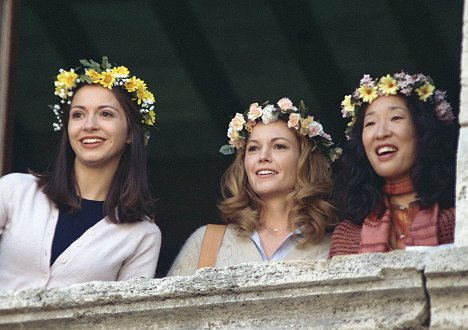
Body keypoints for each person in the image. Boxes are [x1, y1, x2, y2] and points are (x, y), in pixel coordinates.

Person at [0, 57, 161, 290]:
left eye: (106, 114)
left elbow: (126, 320)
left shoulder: (143, 235)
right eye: (78, 114)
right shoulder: (14, 191)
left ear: (130, 134)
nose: (89, 125)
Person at [168, 98, 342, 276]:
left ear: (305, 161)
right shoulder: (207, 242)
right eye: (253, 148)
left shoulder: (335, 250)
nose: (263, 156)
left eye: (279, 146)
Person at [330, 72, 457, 258]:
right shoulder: (347, 236)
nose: (380, 133)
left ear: (424, 130)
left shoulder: (458, 219)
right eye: (370, 123)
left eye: (395, 118)